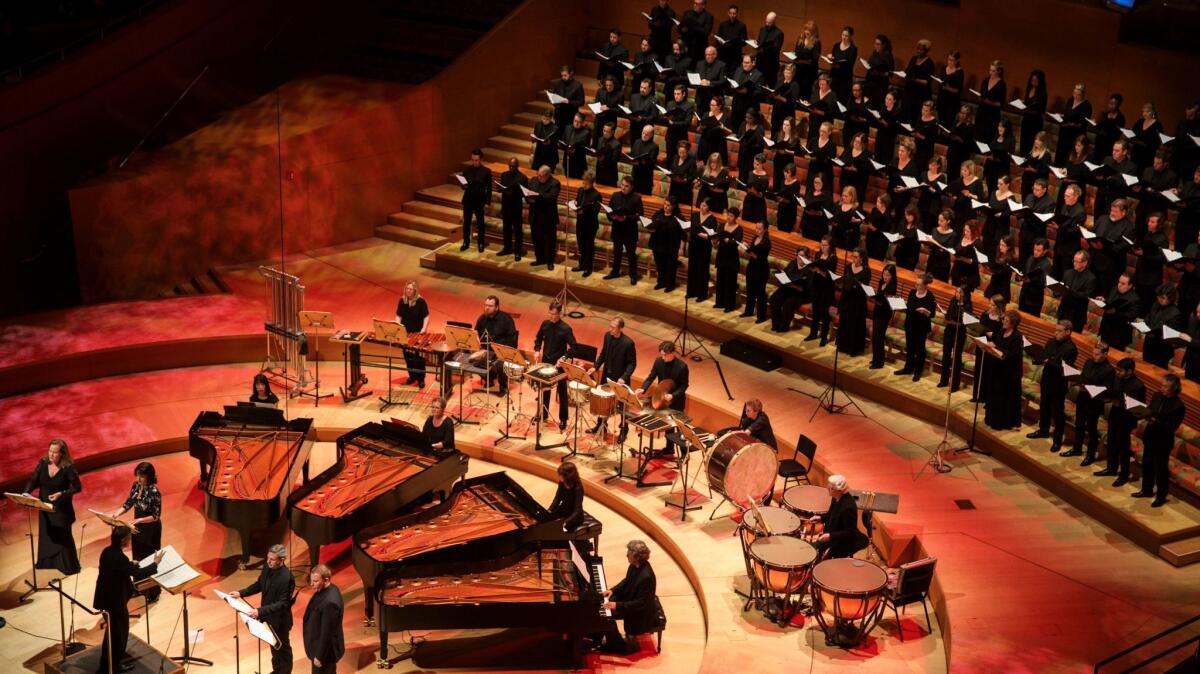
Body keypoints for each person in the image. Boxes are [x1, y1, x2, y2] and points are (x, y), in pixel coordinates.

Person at [94, 526, 163, 673]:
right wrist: (155, 563)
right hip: (115, 601)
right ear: (124, 540)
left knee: (112, 632)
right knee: (119, 634)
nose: (130, 540)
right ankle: (115, 665)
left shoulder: (107, 551)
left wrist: (129, 564)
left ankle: (107, 662)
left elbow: (116, 568)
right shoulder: (120, 557)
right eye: (129, 538)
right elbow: (138, 572)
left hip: (105, 598)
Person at [230, 544, 296, 674]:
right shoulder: (267, 567)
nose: (268, 561)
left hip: (280, 621)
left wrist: (260, 611)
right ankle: (277, 671)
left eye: (272, 559)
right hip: (268, 618)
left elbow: (282, 603)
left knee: (283, 651)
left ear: (281, 560)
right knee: (274, 649)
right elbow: (259, 585)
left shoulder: (286, 578)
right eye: (268, 558)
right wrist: (241, 593)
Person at [23, 438, 81, 576]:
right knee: (48, 534)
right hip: (44, 506)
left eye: (55, 453)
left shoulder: (68, 468)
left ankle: (69, 566)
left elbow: (77, 487)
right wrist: (26, 492)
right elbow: (34, 479)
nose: (51, 455)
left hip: (61, 508)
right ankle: (49, 562)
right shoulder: (43, 463)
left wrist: (62, 493)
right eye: (50, 451)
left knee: (62, 535)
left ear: (62, 454)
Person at [106, 462, 162, 602]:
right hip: (137, 527)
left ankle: (153, 592)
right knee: (137, 558)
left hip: (150, 529)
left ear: (149, 477)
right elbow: (129, 503)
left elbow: (156, 516)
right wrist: (116, 514)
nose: (139, 479)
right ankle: (138, 588)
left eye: (142, 476)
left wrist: (139, 520)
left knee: (148, 558)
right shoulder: (136, 486)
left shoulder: (154, 492)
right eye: (138, 475)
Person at [1134, 374, 1186, 507]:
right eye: (1161, 385)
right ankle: (1146, 490)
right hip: (1150, 436)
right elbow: (1151, 409)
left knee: (1161, 469)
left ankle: (1161, 496)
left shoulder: (1178, 406)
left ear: (1174, 388)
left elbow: (1171, 427)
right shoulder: (1157, 396)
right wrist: (1144, 414)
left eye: (1165, 386)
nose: (1161, 388)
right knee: (1147, 464)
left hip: (1163, 441)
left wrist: (1155, 421)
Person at [1027, 320, 1079, 452]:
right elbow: (1045, 356)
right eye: (1055, 330)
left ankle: (1057, 440)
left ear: (1068, 332)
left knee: (1057, 412)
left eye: (1059, 331)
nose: (1055, 332)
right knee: (1044, 406)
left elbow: (1063, 369)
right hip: (1046, 379)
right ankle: (1043, 430)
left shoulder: (1071, 349)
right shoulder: (1051, 341)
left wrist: (1047, 361)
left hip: (1058, 384)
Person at [598, 540, 658, 654]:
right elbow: (626, 581)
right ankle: (603, 637)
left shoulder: (646, 577)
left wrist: (617, 605)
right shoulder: (634, 566)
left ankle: (619, 646)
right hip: (629, 600)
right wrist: (612, 590)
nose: (626, 555)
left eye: (629, 553)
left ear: (636, 557)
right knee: (601, 605)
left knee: (607, 617)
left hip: (639, 612)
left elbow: (640, 603)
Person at [1063, 341, 1113, 459]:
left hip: (1094, 403)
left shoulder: (1109, 370)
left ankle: (1090, 455)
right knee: (1079, 425)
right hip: (1083, 398)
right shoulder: (1088, 362)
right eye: (1093, 353)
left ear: (1105, 354)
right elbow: (1083, 377)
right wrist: (1076, 381)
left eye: (1097, 354)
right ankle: (1077, 449)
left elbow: (1106, 390)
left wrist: (1089, 389)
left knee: (1091, 429)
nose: (1094, 356)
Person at [1095, 358, 1146, 474]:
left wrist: (1122, 404)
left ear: (1130, 371)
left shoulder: (1138, 386)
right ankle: (1111, 468)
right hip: (1114, 415)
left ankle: (1124, 474)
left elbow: (1140, 409)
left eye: (1120, 371)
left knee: (1123, 448)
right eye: (1117, 370)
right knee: (1112, 443)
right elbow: (1112, 391)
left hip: (1126, 420)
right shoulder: (1117, 379)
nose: (1117, 373)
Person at [533, 301, 577, 428]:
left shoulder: (566, 329)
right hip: (546, 361)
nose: (552, 316)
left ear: (560, 314)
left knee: (562, 392)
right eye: (550, 313)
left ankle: (563, 419)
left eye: (554, 314)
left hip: (559, 364)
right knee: (545, 389)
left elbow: (574, 348)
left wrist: (563, 358)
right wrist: (537, 350)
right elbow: (538, 339)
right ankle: (543, 414)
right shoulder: (545, 324)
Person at [983, 309, 1024, 431]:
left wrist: (995, 347)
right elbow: (995, 341)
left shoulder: (1017, 337)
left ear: (1013, 323)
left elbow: (1011, 354)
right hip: (998, 368)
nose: (1004, 322)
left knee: (1004, 397)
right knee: (995, 395)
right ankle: (991, 418)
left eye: (1006, 321)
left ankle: (1002, 422)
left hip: (1010, 372)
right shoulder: (1001, 331)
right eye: (1004, 319)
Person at [809, 475, 867, 559]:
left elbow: (850, 532)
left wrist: (830, 536)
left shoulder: (848, 508)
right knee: (811, 549)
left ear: (840, 491)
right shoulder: (836, 498)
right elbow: (831, 515)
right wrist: (821, 518)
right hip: (833, 535)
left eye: (831, 488)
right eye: (829, 485)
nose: (828, 488)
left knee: (824, 561)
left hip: (844, 542)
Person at [303, 564, 345, 674]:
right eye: (311, 580)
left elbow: (327, 633)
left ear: (326, 580)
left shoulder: (330, 602)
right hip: (319, 647)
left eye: (315, 581)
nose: (311, 584)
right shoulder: (329, 588)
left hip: (325, 655)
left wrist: (319, 656)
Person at [473, 295, 519, 395]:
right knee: (473, 360)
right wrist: (477, 342)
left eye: (490, 306)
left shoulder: (506, 319)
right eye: (485, 305)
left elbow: (513, 340)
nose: (487, 308)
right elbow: (476, 332)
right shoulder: (482, 318)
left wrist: (501, 349)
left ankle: (503, 385)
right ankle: (489, 379)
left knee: (500, 364)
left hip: (501, 352)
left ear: (497, 307)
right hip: (486, 351)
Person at [896, 273, 937, 381]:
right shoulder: (912, 292)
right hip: (910, 324)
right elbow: (909, 307)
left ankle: (918, 371)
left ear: (925, 286)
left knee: (919, 349)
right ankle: (908, 368)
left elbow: (932, 314)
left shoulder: (930, 296)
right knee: (909, 347)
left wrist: (925, 311)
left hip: (921, 327)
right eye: (916, 283)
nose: (916, 286)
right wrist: (902, 305)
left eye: (918, 284)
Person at [605, 176, 644, 284]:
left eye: (626, 186)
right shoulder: (615, 195)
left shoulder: (637, 198)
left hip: (630, 231)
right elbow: (609, 210)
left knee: (631, 254)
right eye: (622, 185)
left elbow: (640, 215)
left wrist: (625, 218)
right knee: (617, 252)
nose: (623, 187)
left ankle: (633, 274)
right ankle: (615, 271)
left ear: (631, 187)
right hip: (617, 229)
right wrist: (611, 216)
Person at [835, 247, 872, 356]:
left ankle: (853, 349)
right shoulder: (847, 267)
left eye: (856, 257)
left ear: (862, 258)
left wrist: (856, 285)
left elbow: (864, 288)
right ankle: (843, 346)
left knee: (854, 326)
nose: (853, 259)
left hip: (857, 302)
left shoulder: (866, 270)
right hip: (846, 299)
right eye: (853, 256)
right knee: (845, 323)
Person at [769, 246, 813, 333]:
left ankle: (784, 326)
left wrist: (794, 286)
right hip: (787, 288)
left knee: (788, 304)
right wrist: (782, 276)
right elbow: (785, 272)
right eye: (798, 255)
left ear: (807, 257)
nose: (800, 258)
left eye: (803, 256)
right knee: (774, 299)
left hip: (800, 293)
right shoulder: (793, 263)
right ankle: (776, 324)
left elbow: (807, 288)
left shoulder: (810, 269)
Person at [938, 284, 973, 391]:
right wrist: (946, 315)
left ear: (965, 294)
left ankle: (954, 384)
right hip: (949, 331)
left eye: (959, 292)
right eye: (956, 292)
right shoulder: (953, 301)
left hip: (959, 333)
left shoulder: (967, 306)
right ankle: (944, 380)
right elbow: (949, 315)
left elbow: (964, 322)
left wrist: (954, 321)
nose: (957, 294)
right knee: (946, 355)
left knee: (956, 358)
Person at [395, 281, 431, 389]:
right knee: (408, 357)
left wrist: (424, 329)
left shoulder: (421, 301)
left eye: (410, 289)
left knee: (418, 358)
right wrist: (397, 326)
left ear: (415, 290)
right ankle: (412, 376)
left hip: (418, 334)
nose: (408, 291)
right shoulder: (402, 301)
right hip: (406, 334)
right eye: (407, 289)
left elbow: (426, 316)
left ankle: (421, 379)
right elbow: (398, 315)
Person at [636, 341, 690, 412]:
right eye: (662, 355)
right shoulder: (658, 362)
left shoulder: (682, 367)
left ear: (673, 353)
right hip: (660, 399)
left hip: (676, 401)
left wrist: (673, 395)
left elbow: (684, 385)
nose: (663, 358)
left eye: (665, 355)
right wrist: (643, 388)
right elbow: (651, 378)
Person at [526, 166, 561, 270]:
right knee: (537, 239)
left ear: (548, 175)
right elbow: (527, 193)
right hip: (535, 215)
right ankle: (540, 259)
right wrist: (529, 200)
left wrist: (538, 195)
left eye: (541, 176)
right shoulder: (534, 180)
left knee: (550, 241)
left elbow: (552, 197)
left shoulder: (555, 183)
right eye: (538, 174)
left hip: (548, 217)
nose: (539, 177)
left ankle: (550, 261)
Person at [458, 149, 492, 252]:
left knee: (480, 223)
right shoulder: (467, 170)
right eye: (473, 160)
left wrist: (487, 202)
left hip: (479, 200)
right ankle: (466, 242)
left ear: (481, 159)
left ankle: (481, 243)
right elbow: (463, 185)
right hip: (468, 199)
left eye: (476, 160)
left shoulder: (486, 171)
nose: (474, 162)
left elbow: (489, 188)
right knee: (466, 222)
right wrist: (463, 186)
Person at [1142, 283, 1184, 367]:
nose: (1160, 299)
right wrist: (1145, 326)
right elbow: (1148, 318)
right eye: (1158, 297)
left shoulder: (1175, 313)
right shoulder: (1155, 305)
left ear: (1170, 298)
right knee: (1144, 366)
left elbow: (1172, 334)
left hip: (1162, 349)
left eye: (1163, 298)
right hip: (1149, 344)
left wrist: (1156, 334)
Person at [806, 235, 838, 345]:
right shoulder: (818, 254)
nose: (822, 247)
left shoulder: (833, 258)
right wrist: (813, 268)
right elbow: (814, 268)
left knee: (824, 314)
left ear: (830, 246)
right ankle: (813, 333)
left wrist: (819, 271)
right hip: (816, 286)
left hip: (826, 289)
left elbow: (830, 276)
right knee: (815, 312)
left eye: (825, 245)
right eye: (821, 244)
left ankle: (824, 337)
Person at [1097, 274, 1141, 352]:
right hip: (1106, 329)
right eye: (1119, 282)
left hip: (1119, 334)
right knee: (1101, 352)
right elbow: (1109, 302)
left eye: (1123, 284)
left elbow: (1131, 316)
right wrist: (1103, 301)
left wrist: (1115, 312)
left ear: (1130, 285)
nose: (1119, 285)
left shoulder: (1135, 299)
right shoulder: (1114, 289)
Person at [1057, 251, 1097, 334]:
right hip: (1064, 311)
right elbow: (1062, 288)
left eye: (1077, 261)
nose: (1074, 263)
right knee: (1058, 334)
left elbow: (1086, 296)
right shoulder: (1067, 273)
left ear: (1085, 263)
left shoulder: (1091, 278)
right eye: (1074, 260)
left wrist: (1070, 292)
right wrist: (1057, 291)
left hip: (1077, 315)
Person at [649, 195, 684, 291]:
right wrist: (651, 229)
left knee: (670, 266)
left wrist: (681, 248)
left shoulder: (678, 217)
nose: (665, 206)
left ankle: (670, 284)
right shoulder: (658, 214)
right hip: (658, 244)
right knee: (659, 264)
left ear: (674, 206)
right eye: (665, 204)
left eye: (668, 205)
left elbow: (683, 234)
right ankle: (661, 282)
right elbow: (651, 226)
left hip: (671, 246)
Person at [1052, 184, 1087, 278]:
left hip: (1069, 249)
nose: (1064, 198)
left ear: (1076, 196)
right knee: (1056, 272)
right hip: (1060, 245)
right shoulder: (1065, 206)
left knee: (1065, 275)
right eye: (1064, 195)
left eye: (1067, 196)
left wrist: (1059, 228)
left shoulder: (1080, 212)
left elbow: (1074, 232)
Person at [572, 171, 603, 277]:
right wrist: (575, 204)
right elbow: (578, 201)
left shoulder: (597, 195)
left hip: (590, 225)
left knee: (588, 246)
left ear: (591, 183)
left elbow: (595, 212)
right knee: (581, 245)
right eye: (583, 182)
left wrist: (583, 212)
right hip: (580, 223)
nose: (583, 185)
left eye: (586, 183)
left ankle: (588, 268)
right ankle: (582, 265)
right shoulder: (580, 190)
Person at [713, 206, 743, 313]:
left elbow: (736, 243)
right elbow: (716, 242)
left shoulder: (739, 229)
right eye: (728, 215)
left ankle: (729, 305)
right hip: (721, 255)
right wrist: (715, 240)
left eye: (731, 216)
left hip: (731, 258)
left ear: (735, 217)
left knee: (730, 282)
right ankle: (719, 302)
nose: (728, 217)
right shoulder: (721, 226)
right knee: (720, 279)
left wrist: (727, 240)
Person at [741, 219, 771, 322]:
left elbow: (760, 257)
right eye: (756, 228)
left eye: (760, 229)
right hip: (752, 267)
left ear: (765, 230)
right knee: (750, 290)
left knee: (760, 292)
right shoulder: (755, 238)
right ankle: (748, 311)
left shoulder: (766, 242)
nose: (757, 230)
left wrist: (750, 252)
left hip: (761, 269)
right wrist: (748, 247)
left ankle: (761, 316)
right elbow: (753, 251)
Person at [497, 158, 527, 260]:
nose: (511, 168)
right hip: (506, 206)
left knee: (518, 231)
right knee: (506, 229)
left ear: (517, 166)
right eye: (510, 166)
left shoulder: (522, 177)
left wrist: (513, 192)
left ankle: (518, 251)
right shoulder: (504, 175)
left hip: (516, 207)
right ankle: (507, 248)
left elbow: (524, 193)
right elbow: (499, 188)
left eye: (513, 166)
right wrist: (503, 190)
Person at [869, 264, 898, 369]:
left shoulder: (892, 287)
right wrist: (873, 298)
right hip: (877, 311)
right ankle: (875, 358)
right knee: (874, 336)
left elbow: (887, 302)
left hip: (884, 314)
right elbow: (879, 296)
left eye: (887, 275)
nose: (884, 277)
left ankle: (879, 362)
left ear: (892, 276)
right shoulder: (881, 282)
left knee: (879, 337)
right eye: (884, 274)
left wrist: (876, 300)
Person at [686, 198, 716, 301]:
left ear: (709, 207)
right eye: (701, 205)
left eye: (704, 206)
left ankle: (701, 294)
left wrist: (697, 232)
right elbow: (690, 229)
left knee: (702, 270)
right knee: (692, 268)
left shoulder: (712, 219)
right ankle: (691, 292)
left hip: (704, 248)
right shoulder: (694, 215)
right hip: (694, 245)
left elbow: (710, 236)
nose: (702, 207)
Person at [1055, 83, 1092, 164]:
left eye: (1078, 94)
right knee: (1060, 153)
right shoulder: (1070, 100)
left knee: (1070, 155)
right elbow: (1066, 114)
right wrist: (1060, 115)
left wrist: (1072, 124)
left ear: (1083, 94)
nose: (1075, 96)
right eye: (1074, 93)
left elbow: (1084, 124)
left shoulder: (1087, 105)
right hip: (1064, 131)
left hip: (1075, 135)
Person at [901, 39, 934, 123]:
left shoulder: (929, 63)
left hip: (919, 95)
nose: (918, 51)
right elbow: (907, 71)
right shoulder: (913, 59)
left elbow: (927, 82)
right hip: (908, 92)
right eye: (917, 49)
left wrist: (915, 80)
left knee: (914, 117)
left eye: (921, 49)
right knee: (905, 114)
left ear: (926, 51)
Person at [1018, 238, 1052, 317]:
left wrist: (1031, 280)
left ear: (1045, 251)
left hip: (1034, 300)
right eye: (1034, 249)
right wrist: (1019, 276)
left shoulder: (1047, 264)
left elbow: (1043, 284)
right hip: (1024, 295)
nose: (1035, 252)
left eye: (1038, 250)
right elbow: (1024, 272)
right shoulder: (1030, 258)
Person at [975, 60, 1006, 142]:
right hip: (981, 113)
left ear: (999, 71)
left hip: (992, 116)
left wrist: (990, 103)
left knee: (987, 138)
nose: (990, 72)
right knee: (978, 136)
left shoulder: (1002, 84)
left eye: (993, 71)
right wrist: (980, 98)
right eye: (990, 70)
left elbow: (1001, 104)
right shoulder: (985, 80)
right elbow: (981, 94)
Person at [1018, 69, 1047, 155]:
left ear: (1040, 81)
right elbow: (1028, 103)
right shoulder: (1029, 89)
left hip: (1035, 123)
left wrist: (1028, 109)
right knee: (1023, 141)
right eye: (1032, 80)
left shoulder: (1043, 93)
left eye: (1036, 80)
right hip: (1026, 120)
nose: (1033, 82)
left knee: (1031, 143)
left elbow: (1041, 111)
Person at [550, 461, 585, 530]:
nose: (559, 476)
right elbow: (557, 499)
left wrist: (566, 522)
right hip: (564, 510)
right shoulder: (562, 483)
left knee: (556, 529)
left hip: (574, 517)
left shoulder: (578, 488)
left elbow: (577, 511)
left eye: (560, 475)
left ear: (568, 476)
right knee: (548, 520)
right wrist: (550, 510)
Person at [863, 34, 894, 112]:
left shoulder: (888, 56)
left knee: (874, 107)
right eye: (875, 43)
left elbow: (890, 73)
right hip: (870, 83)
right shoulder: (875, 53)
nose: (876, 46)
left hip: (879, 87)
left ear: (883, 45)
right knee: (866, 105)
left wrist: (879, 73)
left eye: (878, 44)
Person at [628, 119, 659, 196]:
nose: (644, 135)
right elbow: (632, 154)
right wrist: (631, 159)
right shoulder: (637, 142)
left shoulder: (654, 147)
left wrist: (641, 162)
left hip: (645, 179)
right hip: (634, 176)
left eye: (647, 134)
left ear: (651, 135)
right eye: (643, 133)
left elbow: (652, 162)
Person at [791, 19, 821, 98]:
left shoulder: (816, 42)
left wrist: (801, 61)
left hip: (808, 74)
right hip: (798, 71)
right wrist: (793, 56)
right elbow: (796, 53)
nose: (807, 32)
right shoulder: (800, 39)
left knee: (804, 94)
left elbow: (814, 60)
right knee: (795, 92)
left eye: (809, 30)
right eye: (806, 29)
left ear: (814, 32)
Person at [694, 46, 727, 114]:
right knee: (700, 120)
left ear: (715, 55)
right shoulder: (699, 64)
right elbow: (696, 78)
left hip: (713, 99)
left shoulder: (721, 65)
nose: (707, 56)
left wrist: (709, 83)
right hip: (701, 98)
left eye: (709, 54)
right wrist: (698, 82)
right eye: (706, 54)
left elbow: (723, 82)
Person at [714, 4, 746, 75]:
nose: (732, 15)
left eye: (734, 13)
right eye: (731, 13)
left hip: (735, 56)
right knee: (723, 74)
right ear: (728, 13)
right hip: (723, 55)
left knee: (733, 75)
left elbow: (744, 42)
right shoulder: (723, 24)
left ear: (737, 14)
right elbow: (718, 38)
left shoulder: (742, 26)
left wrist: (735, 43)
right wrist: (720, 41)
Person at [551, 65, 584, 131]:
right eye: (562, 75)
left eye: (565, 75)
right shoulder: (557, 83)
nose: (563, 77)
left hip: (570, 115)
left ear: (571, 73)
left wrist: (569, 102)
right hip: (559, 114)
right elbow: (553, 97)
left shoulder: (578, 85)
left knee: (567, 135)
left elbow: (581, 102)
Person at [827, 26, 857, 100]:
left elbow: (850, 65)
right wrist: (830, 57)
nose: (844, 37)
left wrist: (839, 65)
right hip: (834, 76)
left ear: (850, 37)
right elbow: (833, 57)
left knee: (840, 100)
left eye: (846, 36)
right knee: (831, 98)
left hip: (844, 79)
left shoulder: (853, 49)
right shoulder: (836, 45)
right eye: (843, 35)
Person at [754, 11, 783, 87]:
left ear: (774, 22)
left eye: (769, 23)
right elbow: (759, 43)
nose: (767, 24)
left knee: (771, 86)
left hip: (771, 65)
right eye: (766, 22)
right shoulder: (762, 29)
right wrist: (756, 44)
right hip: (760, 62)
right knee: (758, 83)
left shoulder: (779, 33)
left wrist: (764, 49)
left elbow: (776, 49)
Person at [559, 112, 591, 180]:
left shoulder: (586, 133)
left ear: (582, 123)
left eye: (579, 122)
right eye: (575, 121)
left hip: (578, 164)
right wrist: (566, 148)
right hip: (567, 160)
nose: (576, 123)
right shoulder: (567, 128)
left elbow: (586, 149)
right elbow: (563, 141)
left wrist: (575, 150)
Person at [666, 139, 697, 207]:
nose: (681, 154)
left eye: (684, 152)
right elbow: (672, 169)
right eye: (680, 152)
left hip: (684, 190)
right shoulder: (675, 157)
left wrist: (685, 180)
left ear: (688, 151)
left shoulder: (691, 162)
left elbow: (693, 176)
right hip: (673, 187)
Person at [936, 51, 964, 126]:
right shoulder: (943, 68)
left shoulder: (959, 72)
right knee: (939, 123)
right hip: (941, 99)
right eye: (948, 59)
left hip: (951, 103)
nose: (949, 62)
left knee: (947, 124)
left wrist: (948, 88)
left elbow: (958, 90)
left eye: (952, 60)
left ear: (957, 61)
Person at [595, 121, 622, 187]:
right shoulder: (600, 139)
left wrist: (605, 158)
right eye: (604, 131)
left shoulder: (616, 144)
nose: (605, 133)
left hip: (610, 175)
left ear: (612, 132)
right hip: (599, 173)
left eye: (607, 131)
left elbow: (615, 159)